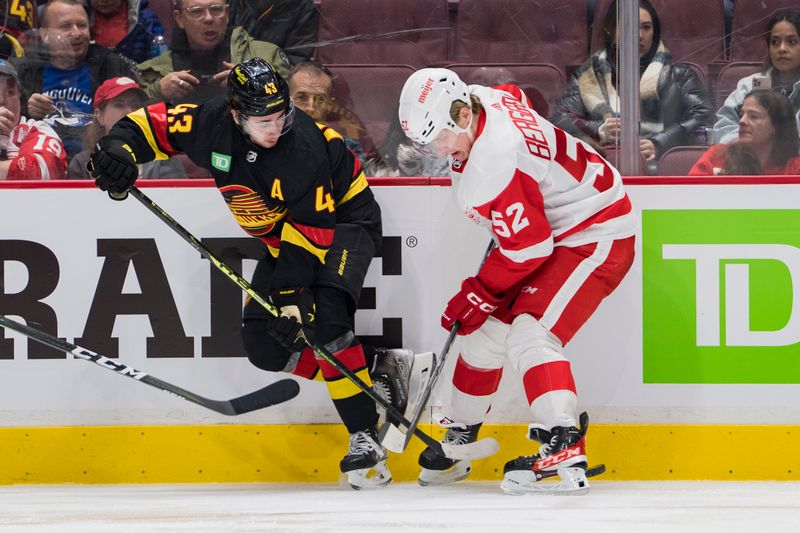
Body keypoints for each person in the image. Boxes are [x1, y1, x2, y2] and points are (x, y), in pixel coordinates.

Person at [88, 58, 418, 490]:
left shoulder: (303, 148)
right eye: (262, 120)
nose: (274, 128)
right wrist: (118, 150)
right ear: (235, 113)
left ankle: (364, 438)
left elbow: (312, 232)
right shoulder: (210, 122)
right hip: (286, 238)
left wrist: (292, 298)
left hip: (344, 224)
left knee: (325, 319)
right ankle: (374, 369)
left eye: (281, 115)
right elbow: (153, 125)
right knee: (263, 343)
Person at [398, 68, 637, 493]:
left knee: (532, 333)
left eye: (437, 136)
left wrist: (481, 290)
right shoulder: (482, 98)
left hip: (596, 232)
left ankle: (563, 445)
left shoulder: (491, 166)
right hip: (556, 226)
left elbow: (528, 249)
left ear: (461, 115)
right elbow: (515, 95)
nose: (435, 149)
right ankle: (460, 437)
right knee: (485, 334)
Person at [550, 0, 713, 162]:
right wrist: (599, 129)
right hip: (602, 164)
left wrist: (660, 142)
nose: (639, 35)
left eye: (646, 27)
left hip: (657, 166)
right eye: (629, 26)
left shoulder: (679, 75)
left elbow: (703, 116)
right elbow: (559, 119)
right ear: (611, 30)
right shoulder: (587, 76)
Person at [137, 0, 290, 105]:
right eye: (197, 12)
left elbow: (292, 103)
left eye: (216, 9)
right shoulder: (156, 69)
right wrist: (158, 91)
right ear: (179, 18)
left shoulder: (265, 56)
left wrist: (252, 86)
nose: (209, 18)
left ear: (227, 13)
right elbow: (127, 114)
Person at [68, 76, 186, 179]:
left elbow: (175, 202)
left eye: (135, 106)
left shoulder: (165, 159)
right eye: (119, 105)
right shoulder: (82, 163)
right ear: (100, 115)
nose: (130, 112)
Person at [714, 9, 800, 144]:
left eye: (792, 41)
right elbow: (723, 128)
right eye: (775, 42)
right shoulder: (749, 85)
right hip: (750, 161)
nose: (782, 48)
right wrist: (752, 148)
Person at [691, 89, 800, 175]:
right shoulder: (718, 155)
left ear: (776, 126)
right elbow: (692, 195)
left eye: (754, 116)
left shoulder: (794, 167)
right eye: (741, 115)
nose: (742, 121)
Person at [0, 60, 67, 180]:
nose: (2, 100)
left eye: (10, 92)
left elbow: (40, 171)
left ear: (19, 96)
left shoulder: (38, 129)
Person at [287, 60, 367, 161]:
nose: (310, 108)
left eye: (320, 99)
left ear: (330, 106)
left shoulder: (347, 150)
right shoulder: (269, 146)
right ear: (287, 101)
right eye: (302, 98)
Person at [228, 0, 319, 65]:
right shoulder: (232, 3)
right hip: (224, 74)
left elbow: (296, 60)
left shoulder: (302, 6)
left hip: (273, 82)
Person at [88, 0, 167, 64]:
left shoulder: (146, 21)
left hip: (138, 80)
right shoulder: (80, 20)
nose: (104, 1)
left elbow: (159, 64)